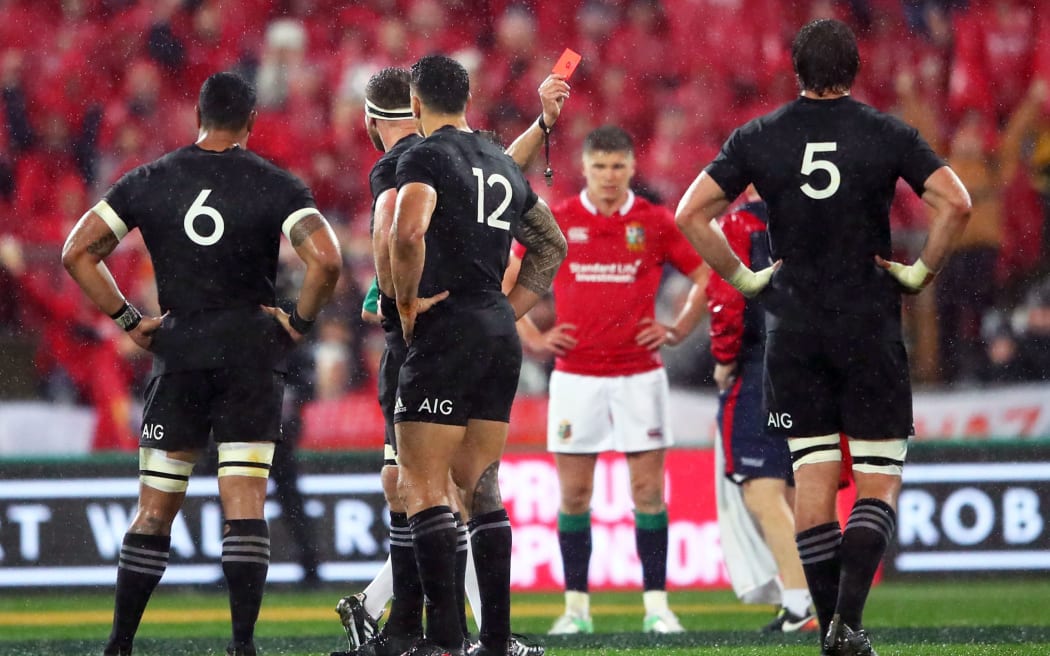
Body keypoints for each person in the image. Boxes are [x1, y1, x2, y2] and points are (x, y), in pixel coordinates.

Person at [674, 18, 971, 656]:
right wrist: (919, 273)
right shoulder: (887, 132)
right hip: (867, 322)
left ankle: (829, 624)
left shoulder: (761, 136)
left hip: (793, 328)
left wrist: (745, 278)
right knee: (878, 479)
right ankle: (848, 625)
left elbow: (690, 213)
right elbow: (958, 203)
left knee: (811, 479)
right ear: (856, 68)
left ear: (796, 70)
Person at [61, 71, 343, 656]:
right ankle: (242, 646)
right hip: (249, 355)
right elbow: (327, 262)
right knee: (244, 507)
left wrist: (129, 321)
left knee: (155, 509)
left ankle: (119, 645)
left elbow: (77, 252)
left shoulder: (151, 179)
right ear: (252, 122)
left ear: (198, 114)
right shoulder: (276, 184)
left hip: (180, 354)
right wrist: (298, 321)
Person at [333, 66, 568, 656]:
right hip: (496, 333)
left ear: (414, 104)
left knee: (421, 484)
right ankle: (491, 641)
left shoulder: (420, 158)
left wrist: (402, 305)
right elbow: (551, 243)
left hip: (441, 331)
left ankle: (441, 641)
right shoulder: (493, 158)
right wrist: (505, 308)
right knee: (481, 486)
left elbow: (402, 232)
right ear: (468, 97)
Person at [504, 125, 707, 635]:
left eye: (618, 166)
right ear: (586, 168)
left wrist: (679, 327)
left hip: (640, 374)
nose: (609, 177)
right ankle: (576, 609)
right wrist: (531, 334)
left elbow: (708, 273)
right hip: (576, 377)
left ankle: (657, 606)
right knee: (574, 496)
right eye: (600, 167)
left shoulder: (655, 221)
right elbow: (507, 273)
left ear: (632, 168)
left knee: (647, 492)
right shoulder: (561, 218)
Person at [703, 190, 815, 633]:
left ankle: (800, 600)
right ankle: (813, 599)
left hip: (761, 365)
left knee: (762, 491)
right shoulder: (814, 222)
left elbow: (727, 299)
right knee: (795, 489)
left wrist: (724, 356)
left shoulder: (740, 224)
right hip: (812, 364)